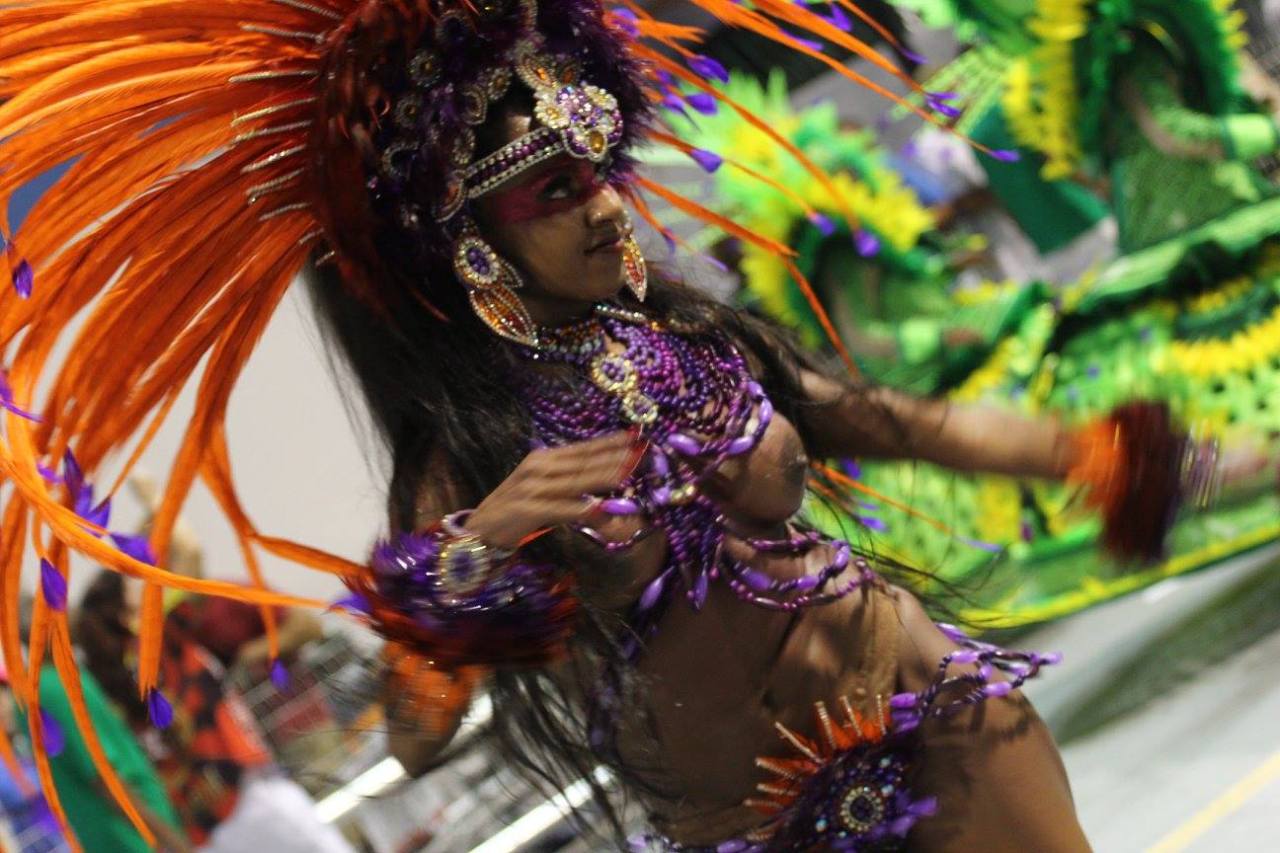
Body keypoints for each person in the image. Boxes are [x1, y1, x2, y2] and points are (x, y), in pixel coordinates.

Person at [0, 0, 1256, 849]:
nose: (607, 209)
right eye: (556, 192)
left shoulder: (705, 343)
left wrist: (1159, 464)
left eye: (601, 167)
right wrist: (479, 546)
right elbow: (410, 730)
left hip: (941, 703)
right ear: (470, 245)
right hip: (766, 817)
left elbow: (917, 425)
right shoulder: (470, 455)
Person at [77, 571, 356, 853]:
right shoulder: (163, 639)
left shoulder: (105, 687)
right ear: (127, 613)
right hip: (246, 797)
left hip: (202, 826)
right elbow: (187, 547)